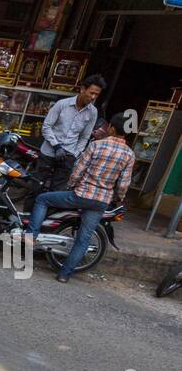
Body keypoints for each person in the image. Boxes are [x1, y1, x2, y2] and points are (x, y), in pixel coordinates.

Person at [22, 110, 134, 283]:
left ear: (111, 128)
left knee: (42, 199)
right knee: (83, 238)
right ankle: (64, 275)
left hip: (81, 195)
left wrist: (72, 185)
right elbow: (124, 184)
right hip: (100, 202)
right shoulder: (129, 154)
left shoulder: (96, 145)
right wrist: (118, 198)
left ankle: (31, 236)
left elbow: (78, 170)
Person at [35, 74, 104, 192]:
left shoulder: (93, 112)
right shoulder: (62, 104)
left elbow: (85, 137)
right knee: (36, 186)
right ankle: (29, 210)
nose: (93, 97)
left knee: (56, 192)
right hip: (48, 153)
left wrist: (74, 153)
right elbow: (46, 126)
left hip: (68, 156)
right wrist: (56, 146)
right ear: (83, 89)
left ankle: (50, 211)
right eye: (91, 93)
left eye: (96, 95)